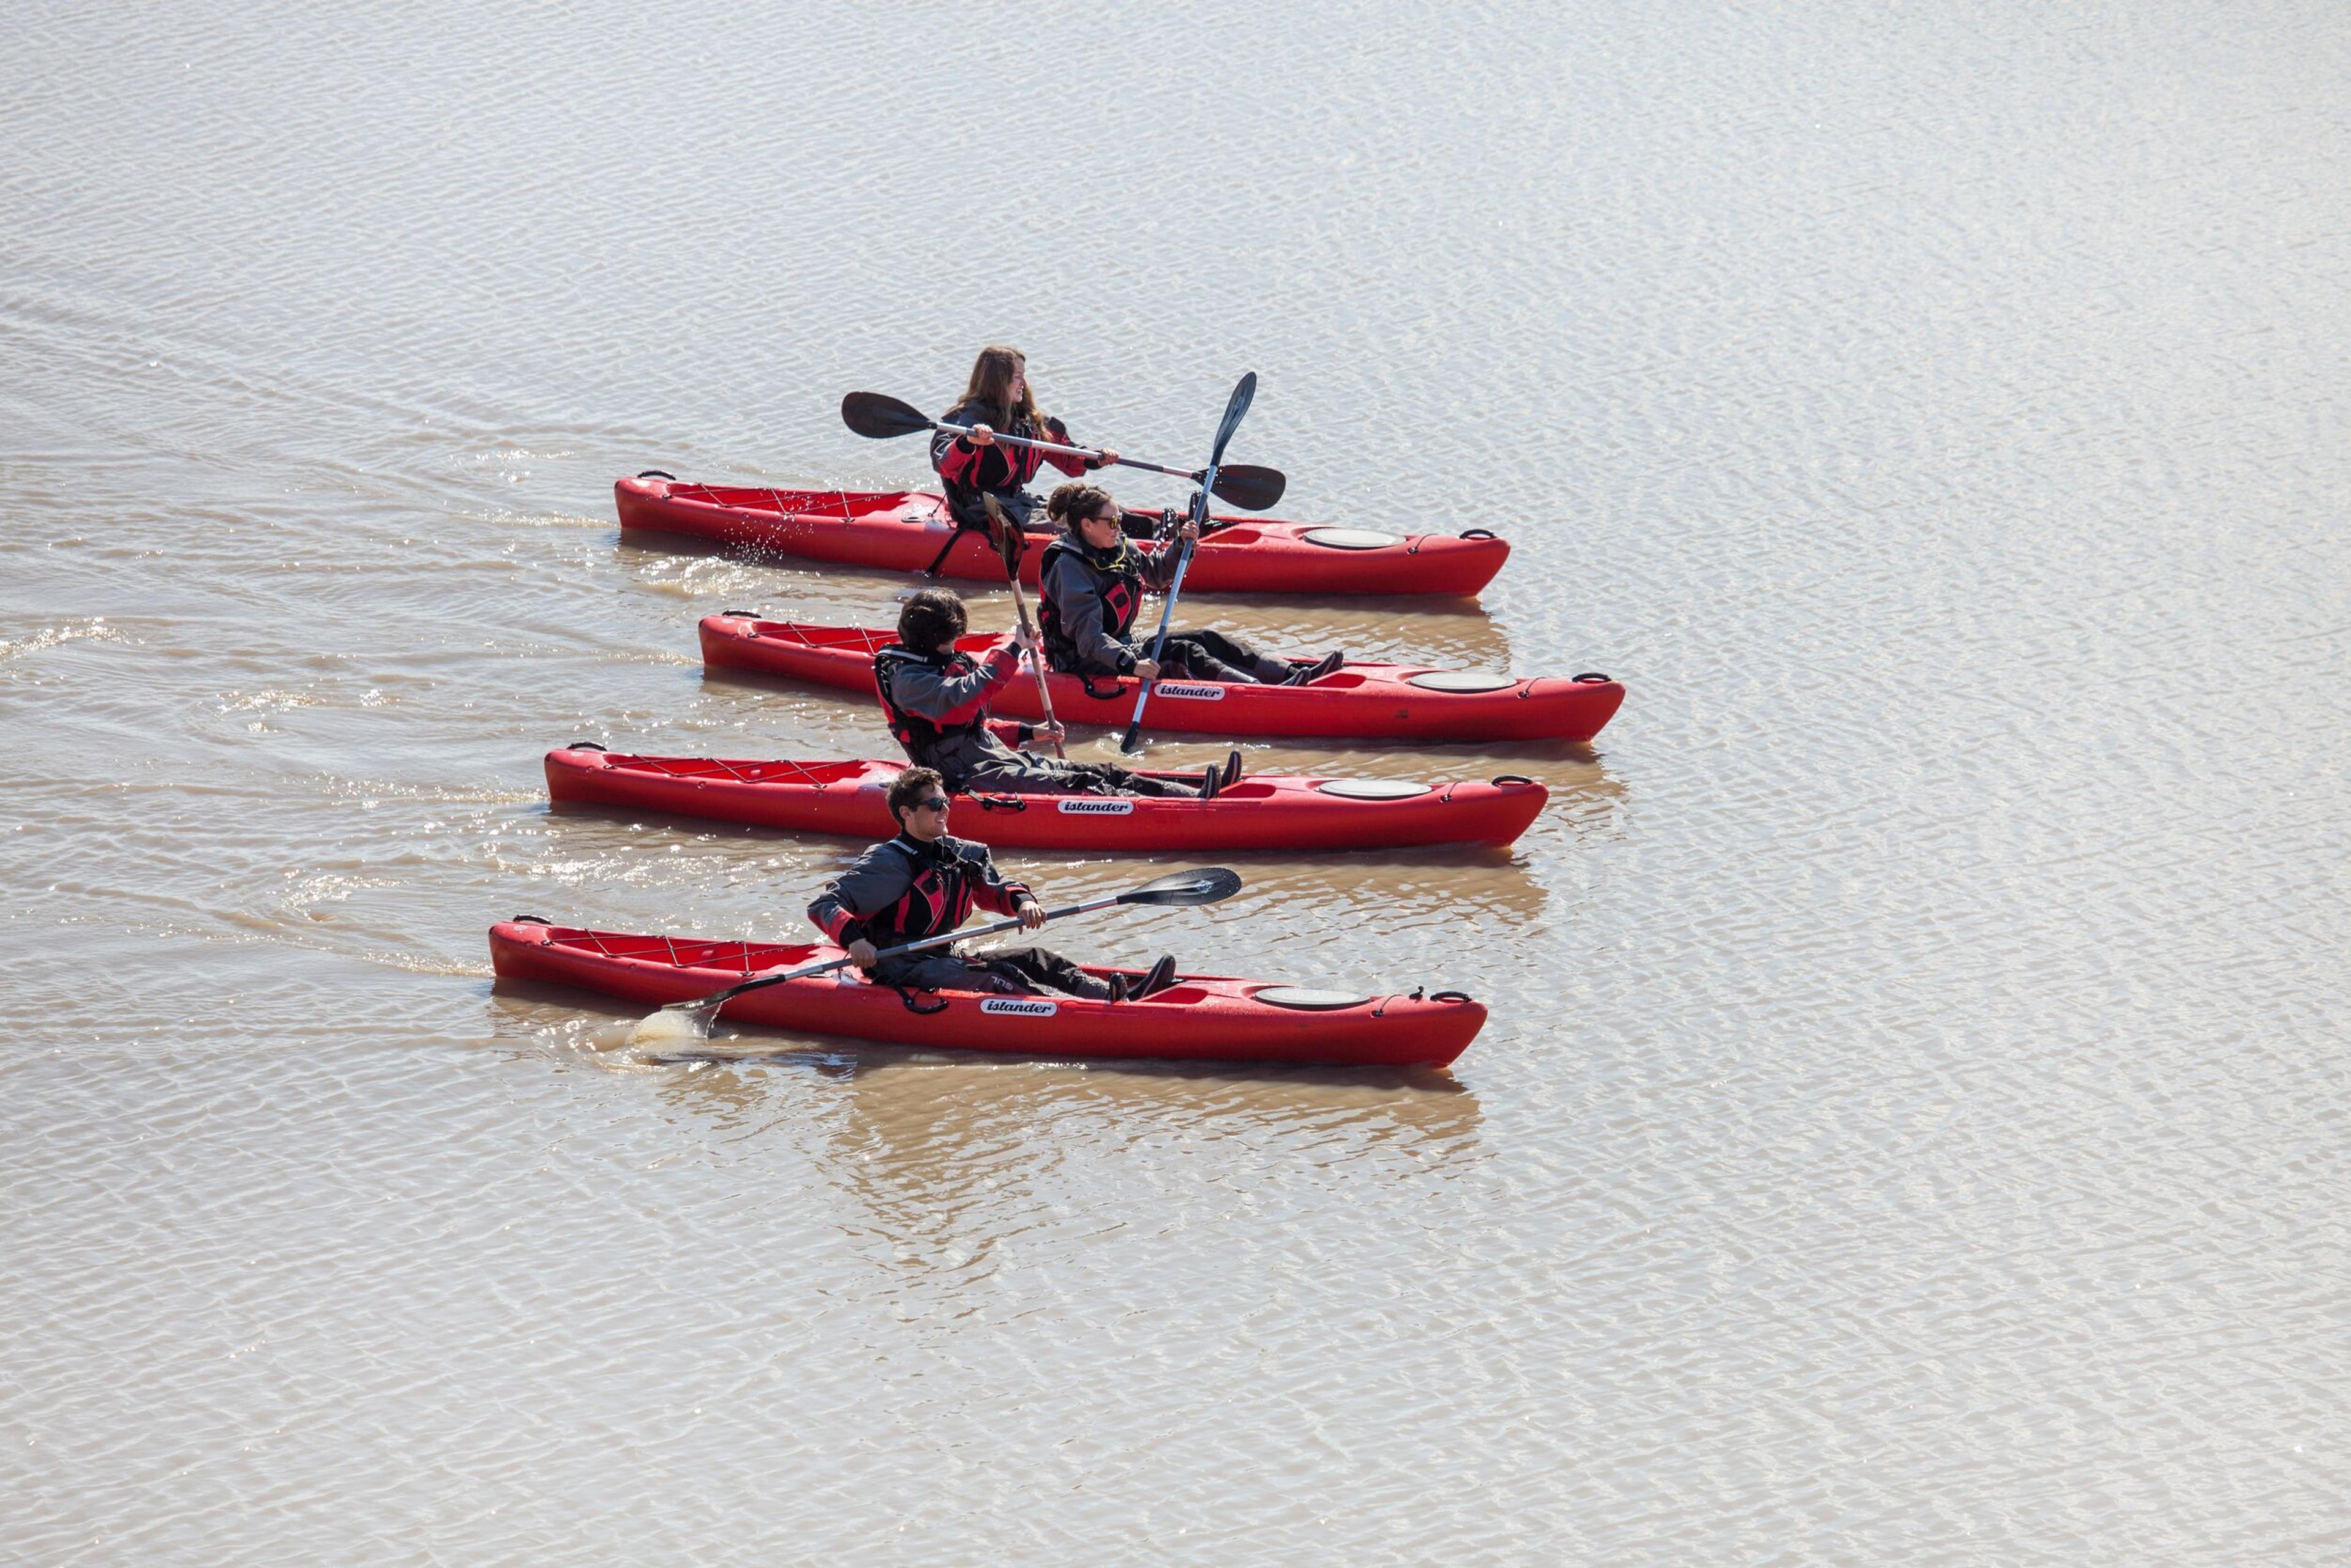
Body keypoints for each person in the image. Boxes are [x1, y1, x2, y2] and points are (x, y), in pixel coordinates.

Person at [807, 767, 1177, 1002]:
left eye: (945, 802)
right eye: (934, 805)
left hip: (943, 955)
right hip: (899, 965)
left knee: (1037, 959)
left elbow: (997, 890)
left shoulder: (959, 853)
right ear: (906, 813)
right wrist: (854, 940)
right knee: (1000, 979)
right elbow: (825, 904)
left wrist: (1023, 904)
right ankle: (1088, 1013)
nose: (945, 810)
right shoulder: (888, 861)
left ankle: (1115, 996)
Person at [872, 588, 1232, 798]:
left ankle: (1190, 793)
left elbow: (970, 730)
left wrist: (1028, 733)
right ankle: (1189, 805)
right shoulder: (910, 680)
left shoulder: (933, 662)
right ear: (937, 638)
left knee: (1102, 769)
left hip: (990, 757)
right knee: (1083, 784)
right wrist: (1013, 650)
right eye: (953, 637)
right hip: (963, 776)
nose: (957, 645)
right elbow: (966, 697)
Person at [1037, 482, 1346, 686]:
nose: (1120, 527)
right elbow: (1089, 639)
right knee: (1182, 651)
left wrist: (1180, 546)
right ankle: (1255, 690)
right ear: (1087, 525)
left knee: (1206, 636)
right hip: (1084, 661)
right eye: (1113, 522)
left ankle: (1290, 674)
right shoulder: (1069, 567)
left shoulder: (1120, 547)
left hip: (1122, 647)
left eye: (1121, 519)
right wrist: (1132, 664)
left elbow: (1157, 574)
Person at [930, 345, 1118, 534]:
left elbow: (1067, 456)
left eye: (1023, 376)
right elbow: (943, 463)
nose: (1024, 383)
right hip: (981, 509)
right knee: (1076, 529)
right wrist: (967, 442)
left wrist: (1095, 458)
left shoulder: (1029, 421)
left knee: (1103, 513)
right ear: (998, 381)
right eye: (1018, 376)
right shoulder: (965, 419)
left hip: (1018, 501)